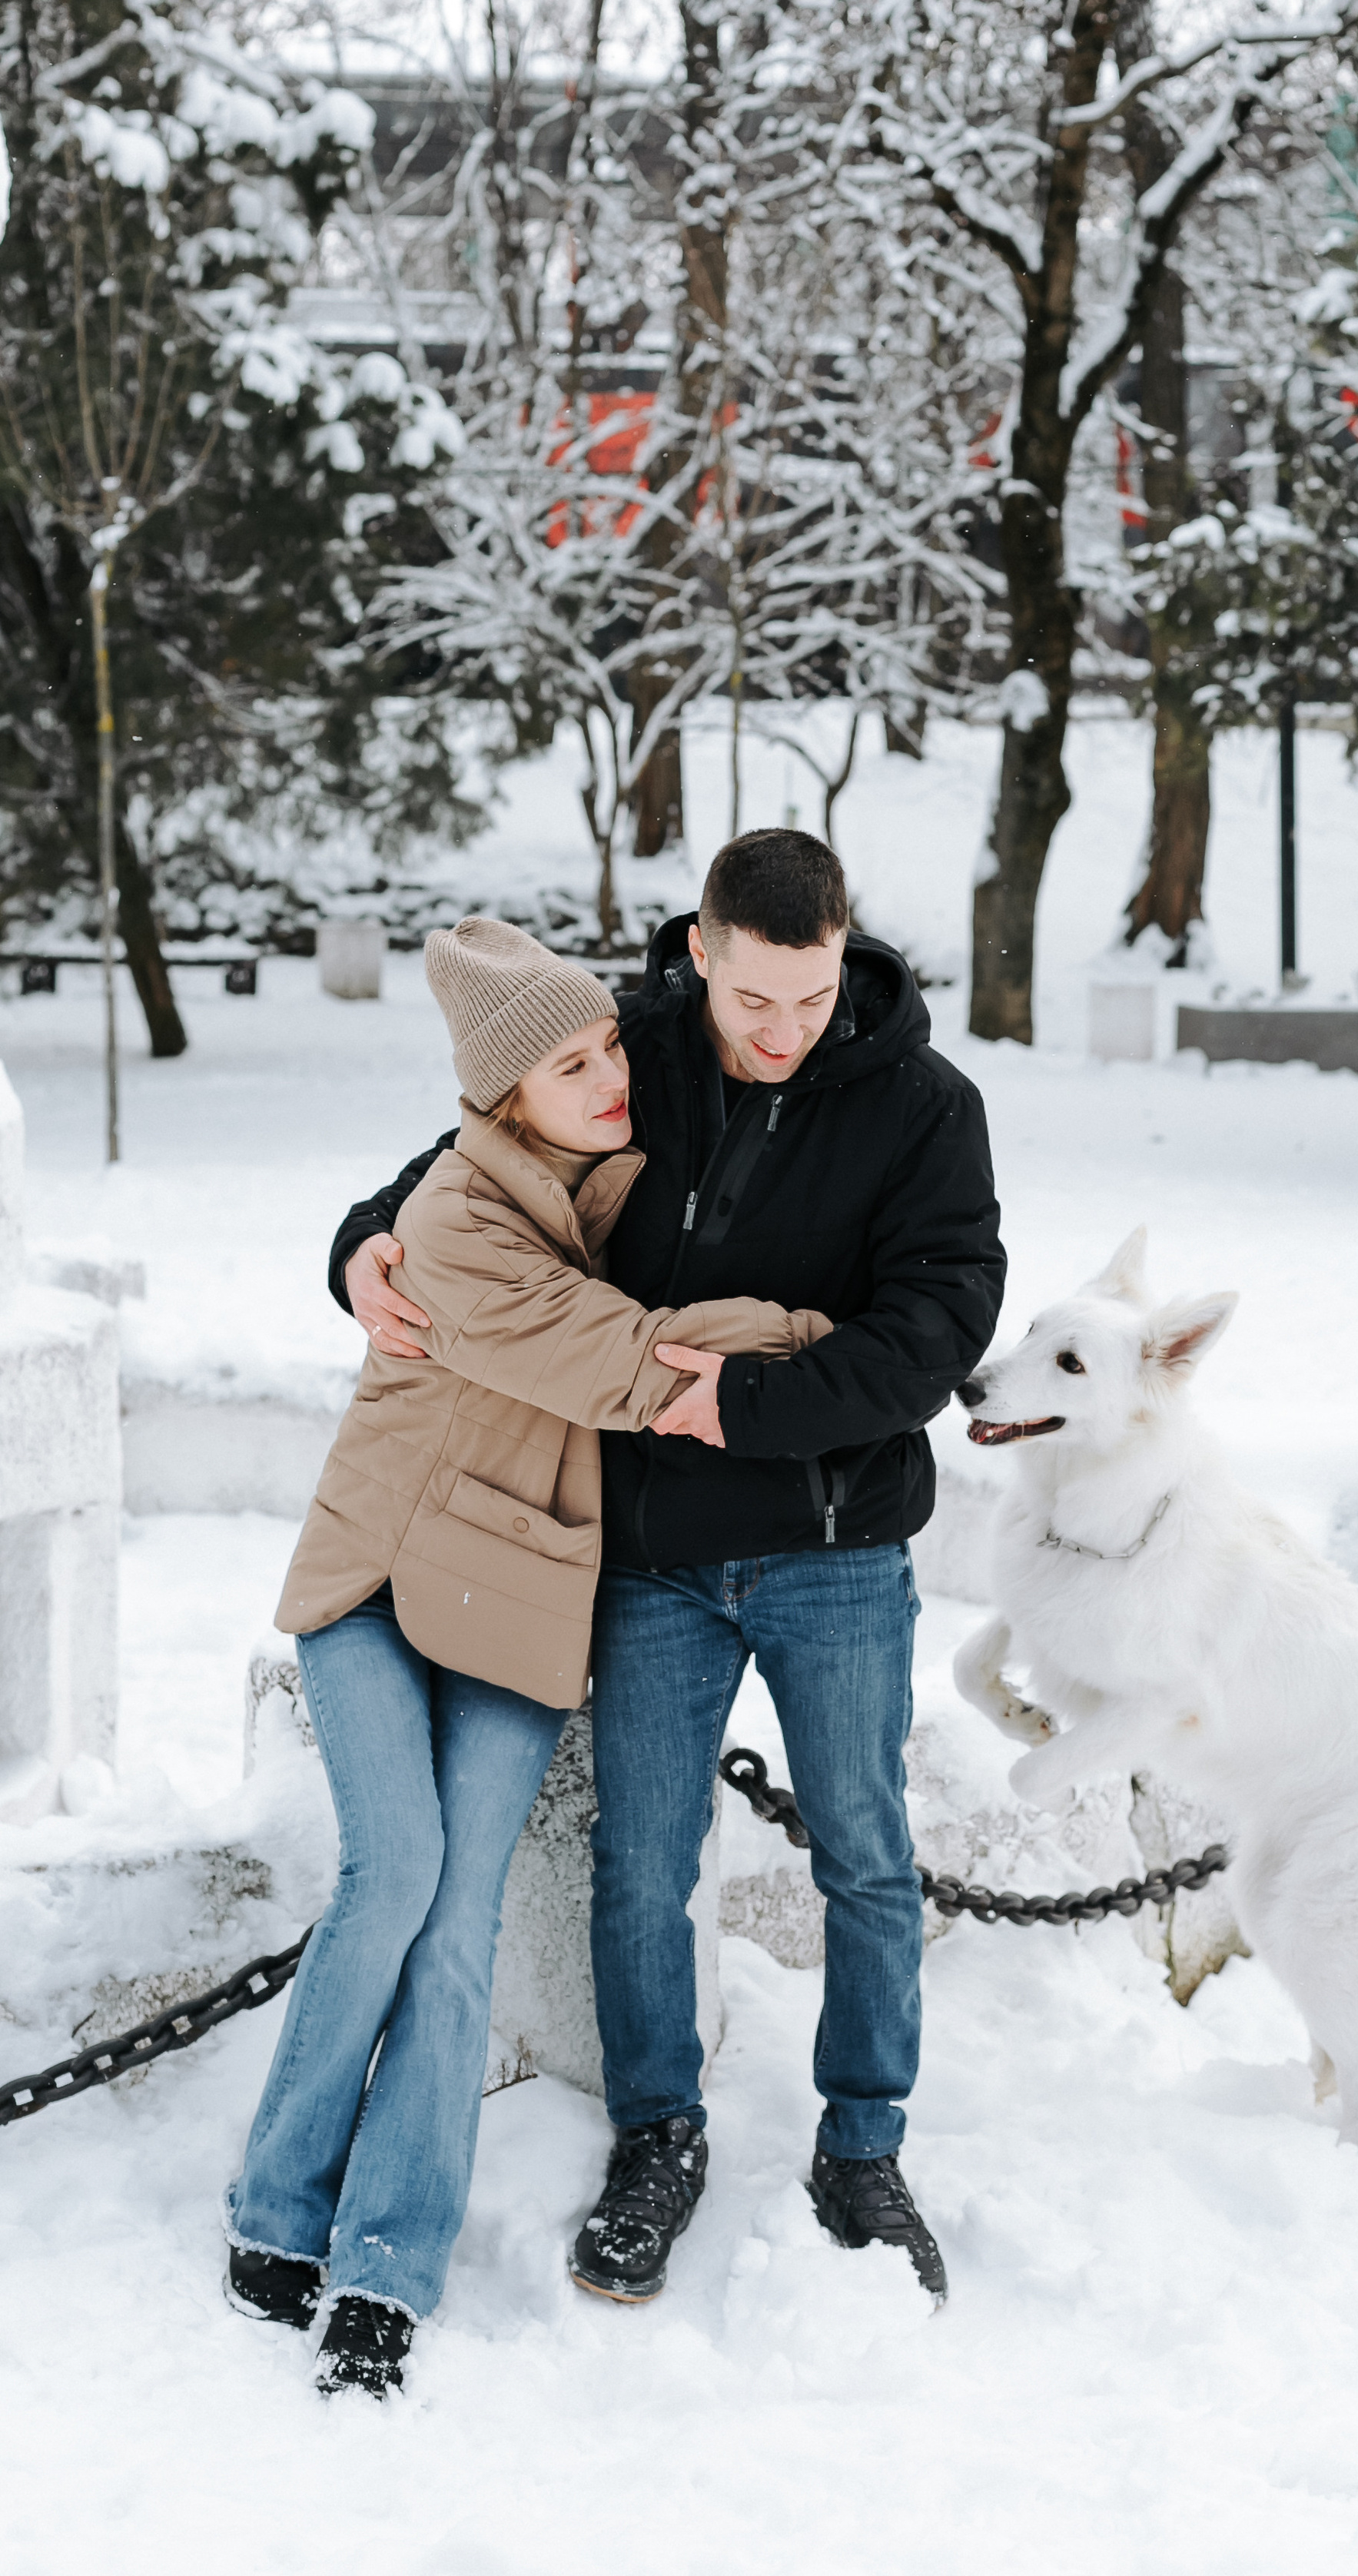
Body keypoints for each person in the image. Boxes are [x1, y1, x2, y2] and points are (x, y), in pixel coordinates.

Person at [333, 832, 1006, 2307]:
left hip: (837, 1548)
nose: (782, 1032)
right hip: (649, 1551)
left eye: (812, 997)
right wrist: (363, 1248)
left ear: (845, 956)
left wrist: (742, 1407)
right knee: (641, 1869)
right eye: (754, 997)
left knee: (866, 1859)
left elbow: (939, 1327)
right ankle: (657, 2136)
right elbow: (468, 1171)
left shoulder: (924, 1105)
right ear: (699, 949)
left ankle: (864, 2147)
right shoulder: (622, 1050)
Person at [224, 918, 827, 2398]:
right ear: (505, 1096)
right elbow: (632, 1366)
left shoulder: (609, 1184)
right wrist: (815, 1332)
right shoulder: (454, 1228)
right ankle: (275, 2204)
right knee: (398, 1874)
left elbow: (659, 1306)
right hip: (372, 1585)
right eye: (570, 1062)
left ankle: (386, 2266)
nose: (611, 1072)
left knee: (459, 1918)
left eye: (610, 1044)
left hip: (518, 1601)